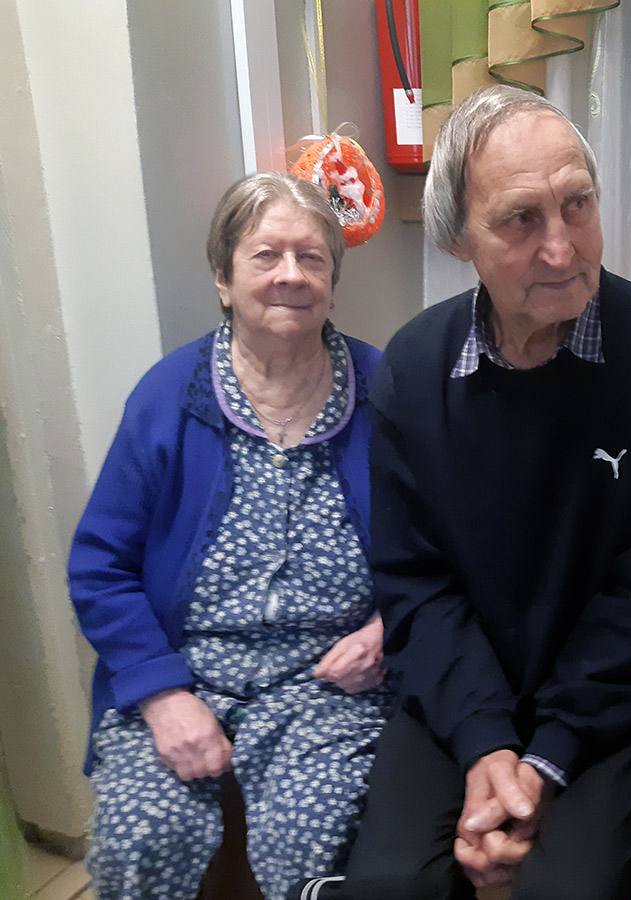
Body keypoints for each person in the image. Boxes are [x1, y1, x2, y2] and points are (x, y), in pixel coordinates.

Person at [291, 85, 631, 900]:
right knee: (389, 887)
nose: (561, 247)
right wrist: (485, 742)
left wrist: (546, 757)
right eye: (521, 219)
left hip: (615, 704)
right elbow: (416, 583)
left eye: (577, 205)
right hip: (463, 689)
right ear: (460, 239)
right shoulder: (416, 368)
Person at [69, 172, 390, 900]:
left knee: (315, 841)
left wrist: (387, 627)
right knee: (140, 837)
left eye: (311, 258)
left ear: (332, 283)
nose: (291, 275)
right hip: (184, 671)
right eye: (266, 255)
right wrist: (161, 695)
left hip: (329, 684)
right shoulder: (168, 396)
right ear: (223, 278)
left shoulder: (383, 389)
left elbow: (441, 549)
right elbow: (99, 567)